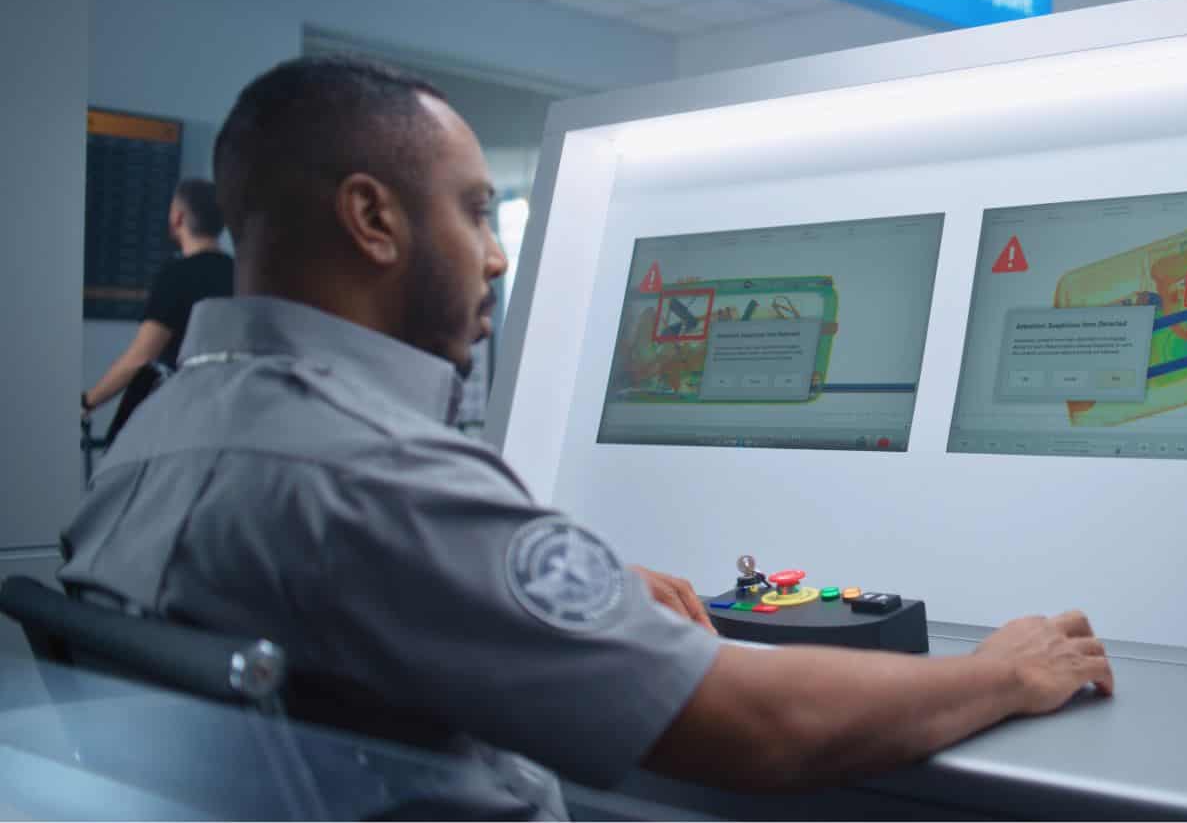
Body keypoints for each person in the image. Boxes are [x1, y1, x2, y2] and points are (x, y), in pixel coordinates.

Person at [59, 57, 1113, 819]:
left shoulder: (158, 430)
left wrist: (549, 590)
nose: (495, 257)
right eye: (475, 212)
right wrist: (1003, 671)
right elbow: (756, 726)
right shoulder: (377, 475)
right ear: (373, 220)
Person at [82, 179, 233, 442]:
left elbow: (140, 358)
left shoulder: (176, 275)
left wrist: (88, 401)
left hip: (181, 420)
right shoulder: (239, 274)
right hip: (225, 419)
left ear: (178, 217)